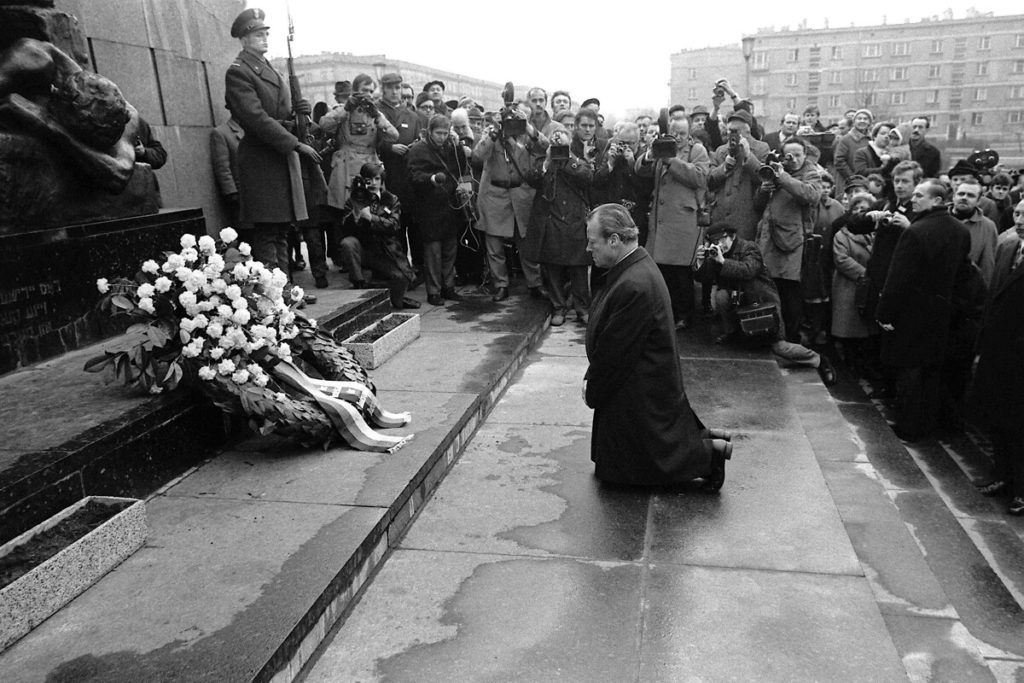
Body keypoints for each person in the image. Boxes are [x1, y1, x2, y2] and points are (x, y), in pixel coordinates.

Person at [583, 203, 733, 489]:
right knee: (616, 466)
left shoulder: (633, 284)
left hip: (640, 388)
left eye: (593, 242)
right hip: (641, 382)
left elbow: (615, 355)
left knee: (641, 466)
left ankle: (708, 456)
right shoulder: (635, 267)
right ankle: (707, 442)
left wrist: (592, 386)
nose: (589, 249)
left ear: (614, 240)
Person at [224, 8, 322, 274]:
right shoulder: (239, 72)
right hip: (262, 160)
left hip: (277, 158)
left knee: (281, 230)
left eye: (265, 33)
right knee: (267, 232)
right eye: (258, 34)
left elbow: (278, 111)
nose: (264, 38)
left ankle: (285, 291)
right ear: (244, 39)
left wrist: (298, 111)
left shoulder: (268, 69)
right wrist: (294, 142)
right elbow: (255, 118)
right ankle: (273, 296)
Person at [876, 179, 971, 441]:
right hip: (943, 312)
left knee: (910, 371)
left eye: (920, 195)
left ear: (937, 201)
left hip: (911, 313)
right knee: (931, 371)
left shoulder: (917, 231)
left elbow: (898, 277)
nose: (914, 199)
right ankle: (929, 423)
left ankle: (909, 426)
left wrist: (885, 313)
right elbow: (963, 275)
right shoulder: (960, 231)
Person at [694, 222, 837, 384]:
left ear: (732, 236)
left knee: (780, 347)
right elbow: (703, 278)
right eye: (714, 243)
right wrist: (700, 263)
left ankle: (819, 360)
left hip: (763, 304)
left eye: (722, 240)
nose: (719, 245)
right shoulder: (717, 255)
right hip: (740, 307)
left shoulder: (749, 248)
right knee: (721, 296)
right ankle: (732, 332)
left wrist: (722, 261)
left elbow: (748, 270)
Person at [969, 200, 1024, 515]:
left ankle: (1021, 489)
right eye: (1017, 213)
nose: (1020, 219)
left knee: (1020, 426)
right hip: (998, 351)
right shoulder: (1008, 248)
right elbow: (992, 300)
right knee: (999, 421)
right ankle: (1003, 477)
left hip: (1019, 354)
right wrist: (981, 348)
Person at [635, 117, 710, 330]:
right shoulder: (662, 148)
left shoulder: (697, 151)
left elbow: (700, 178)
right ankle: (666, 314)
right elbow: (640, 170)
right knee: (662, 271)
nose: (677, 137)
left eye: (682, 134)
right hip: (661, 221)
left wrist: (671, 160)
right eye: (674, 133)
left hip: (682, 221)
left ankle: (684, 316)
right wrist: (650, 155)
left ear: (689, 135)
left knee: (682, 273)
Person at [473, 102, 547, 302]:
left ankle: (535, 284)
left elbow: (547, 147)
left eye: (519, 118)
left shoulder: (528, 134)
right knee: (494, 246)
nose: (513, 123)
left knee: (526, 244)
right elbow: (478, 156)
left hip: (521, 195)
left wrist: (529, 128)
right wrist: (495, 131)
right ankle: (500, 285)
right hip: (495, 196)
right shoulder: (493, 133)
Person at [753, 136, 821, 343]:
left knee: (790, 293)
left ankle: (790, 339)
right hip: (768, 240)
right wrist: (763, 190)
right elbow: (758, 206)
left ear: (805, 155)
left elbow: (811, 196)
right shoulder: (774, 170)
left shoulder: (810, 173)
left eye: (798, 154)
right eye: (789, 154)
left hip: (792, 243)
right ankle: (771, 334)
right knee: (769, 291)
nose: (793, 159)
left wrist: (782, 177)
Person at [522, 127, 593, 326]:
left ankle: (582, 309)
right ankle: (558, 307)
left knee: (579, 269)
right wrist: (547, 160)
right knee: (552, 268)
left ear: (570, 144)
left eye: (563, 144)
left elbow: (587, 177)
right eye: (557, 144)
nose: (559, 148)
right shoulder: (545, 162)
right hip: (551, 222)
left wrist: (567, 157)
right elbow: (531, 178)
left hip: (576, 222)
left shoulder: (578, 162)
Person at [407, 115, 471, 306]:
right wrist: (432, 178)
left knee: (450, 250)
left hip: (450, 207)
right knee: (433, 253)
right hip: (430, 207)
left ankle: (448, 287)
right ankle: (433, 291)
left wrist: (458, 146)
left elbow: (461, 168)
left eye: (445, 133)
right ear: (429, 132)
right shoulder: (419, 149)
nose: (442, 137)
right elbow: (413, 176)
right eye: (438, 133)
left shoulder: (451, 148)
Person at [337, 163, 419, 309]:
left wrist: (372, 218)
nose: (374, 183)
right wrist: (355, 216)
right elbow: (344, 228)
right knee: (348, 243)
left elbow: (394, 225)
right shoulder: (354, 199)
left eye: (377, 179)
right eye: (369, 180)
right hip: (364, 248)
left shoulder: (390, 199)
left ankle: (393, 298)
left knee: (401, 280)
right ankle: (359, 284)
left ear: (382, 180)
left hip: (385, 250)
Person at [377, 72, 423, 270]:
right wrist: (389, 148)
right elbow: (370, 142)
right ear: (384, 89)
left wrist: (415, 147)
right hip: (388, 177)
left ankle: (420, 267)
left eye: (398, 88)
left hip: (409, 178)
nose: (395, 92)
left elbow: (421, 141)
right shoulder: (376, 112)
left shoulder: (412, 115)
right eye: (391, 88)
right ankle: (402, 268)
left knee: (415, 225)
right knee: (395, 226)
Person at [829, 193, 879, 374]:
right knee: (849, 327)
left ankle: (862, 364)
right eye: (856, 209)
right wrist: (865, 274)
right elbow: (841, 259)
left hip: (869, 287)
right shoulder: (842, 235)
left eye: (864, 210)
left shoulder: (875, 234)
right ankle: (848, 363)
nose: (860, 213)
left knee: (865, 330)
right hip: (848, 285)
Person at [707, 109, 771, 241]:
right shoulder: (721, 151)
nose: (731, 134)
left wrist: (748, 156)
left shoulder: (761, 148)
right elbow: (709, 181)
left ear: (747, 131)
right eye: (729, 130)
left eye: (735, 131)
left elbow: (764, 178)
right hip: (720, 217)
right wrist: (724, 167)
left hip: (746, 218)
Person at [950, 179, 998, 287]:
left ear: (979, 201)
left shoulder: (987, 227)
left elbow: (987, 266)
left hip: (965, 289)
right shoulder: (938, 219)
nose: (964, 198)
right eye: (961, 194)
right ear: (954, 196)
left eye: (970, 195)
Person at [209, 115, 244, 227]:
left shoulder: (256, 130)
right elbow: (222, 167)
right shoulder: (221, 133)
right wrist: (232, 193)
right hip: (241, 197)